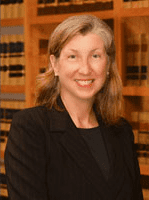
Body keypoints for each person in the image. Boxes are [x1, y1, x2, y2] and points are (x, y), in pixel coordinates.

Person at [4, 14, 143, 200]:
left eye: (95, 56)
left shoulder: (122, 131)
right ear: (55, 65)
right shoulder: (30, 128)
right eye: (73, 56)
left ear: (108, 64)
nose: (85, 69)